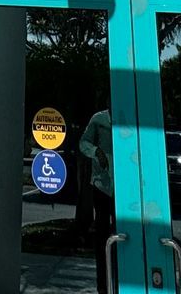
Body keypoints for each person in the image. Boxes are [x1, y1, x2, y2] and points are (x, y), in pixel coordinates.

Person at [77, 108, 114, 267]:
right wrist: (96, 152)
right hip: (102, 183)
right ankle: (103, 284)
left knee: (123, 233)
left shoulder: (128, 118)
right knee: (102, 234)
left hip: (123, 186)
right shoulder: (99, 119)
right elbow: (83, 143)